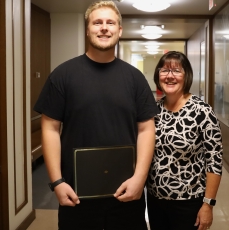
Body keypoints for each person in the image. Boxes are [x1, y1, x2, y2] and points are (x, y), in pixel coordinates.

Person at [33, 1, 158, 229]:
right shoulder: (63, 75)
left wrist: (140, 179)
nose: (104, 27)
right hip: (77, 194)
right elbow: (50, 129)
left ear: (119, 31)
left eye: (110, 23)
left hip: (127, 192)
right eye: (97, 22)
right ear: (87, 29)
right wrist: (57, 182)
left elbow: (146, 129)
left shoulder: (135, 79)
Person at [146, 51, 223, 230]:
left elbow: (215, 161)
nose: (170, 76)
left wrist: (208, 204)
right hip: (155, 200)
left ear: (186, 75)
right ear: (158, 75)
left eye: (176, 71)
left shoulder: (202, 111)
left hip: (189, 202)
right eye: (165, 70)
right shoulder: (154, 110)